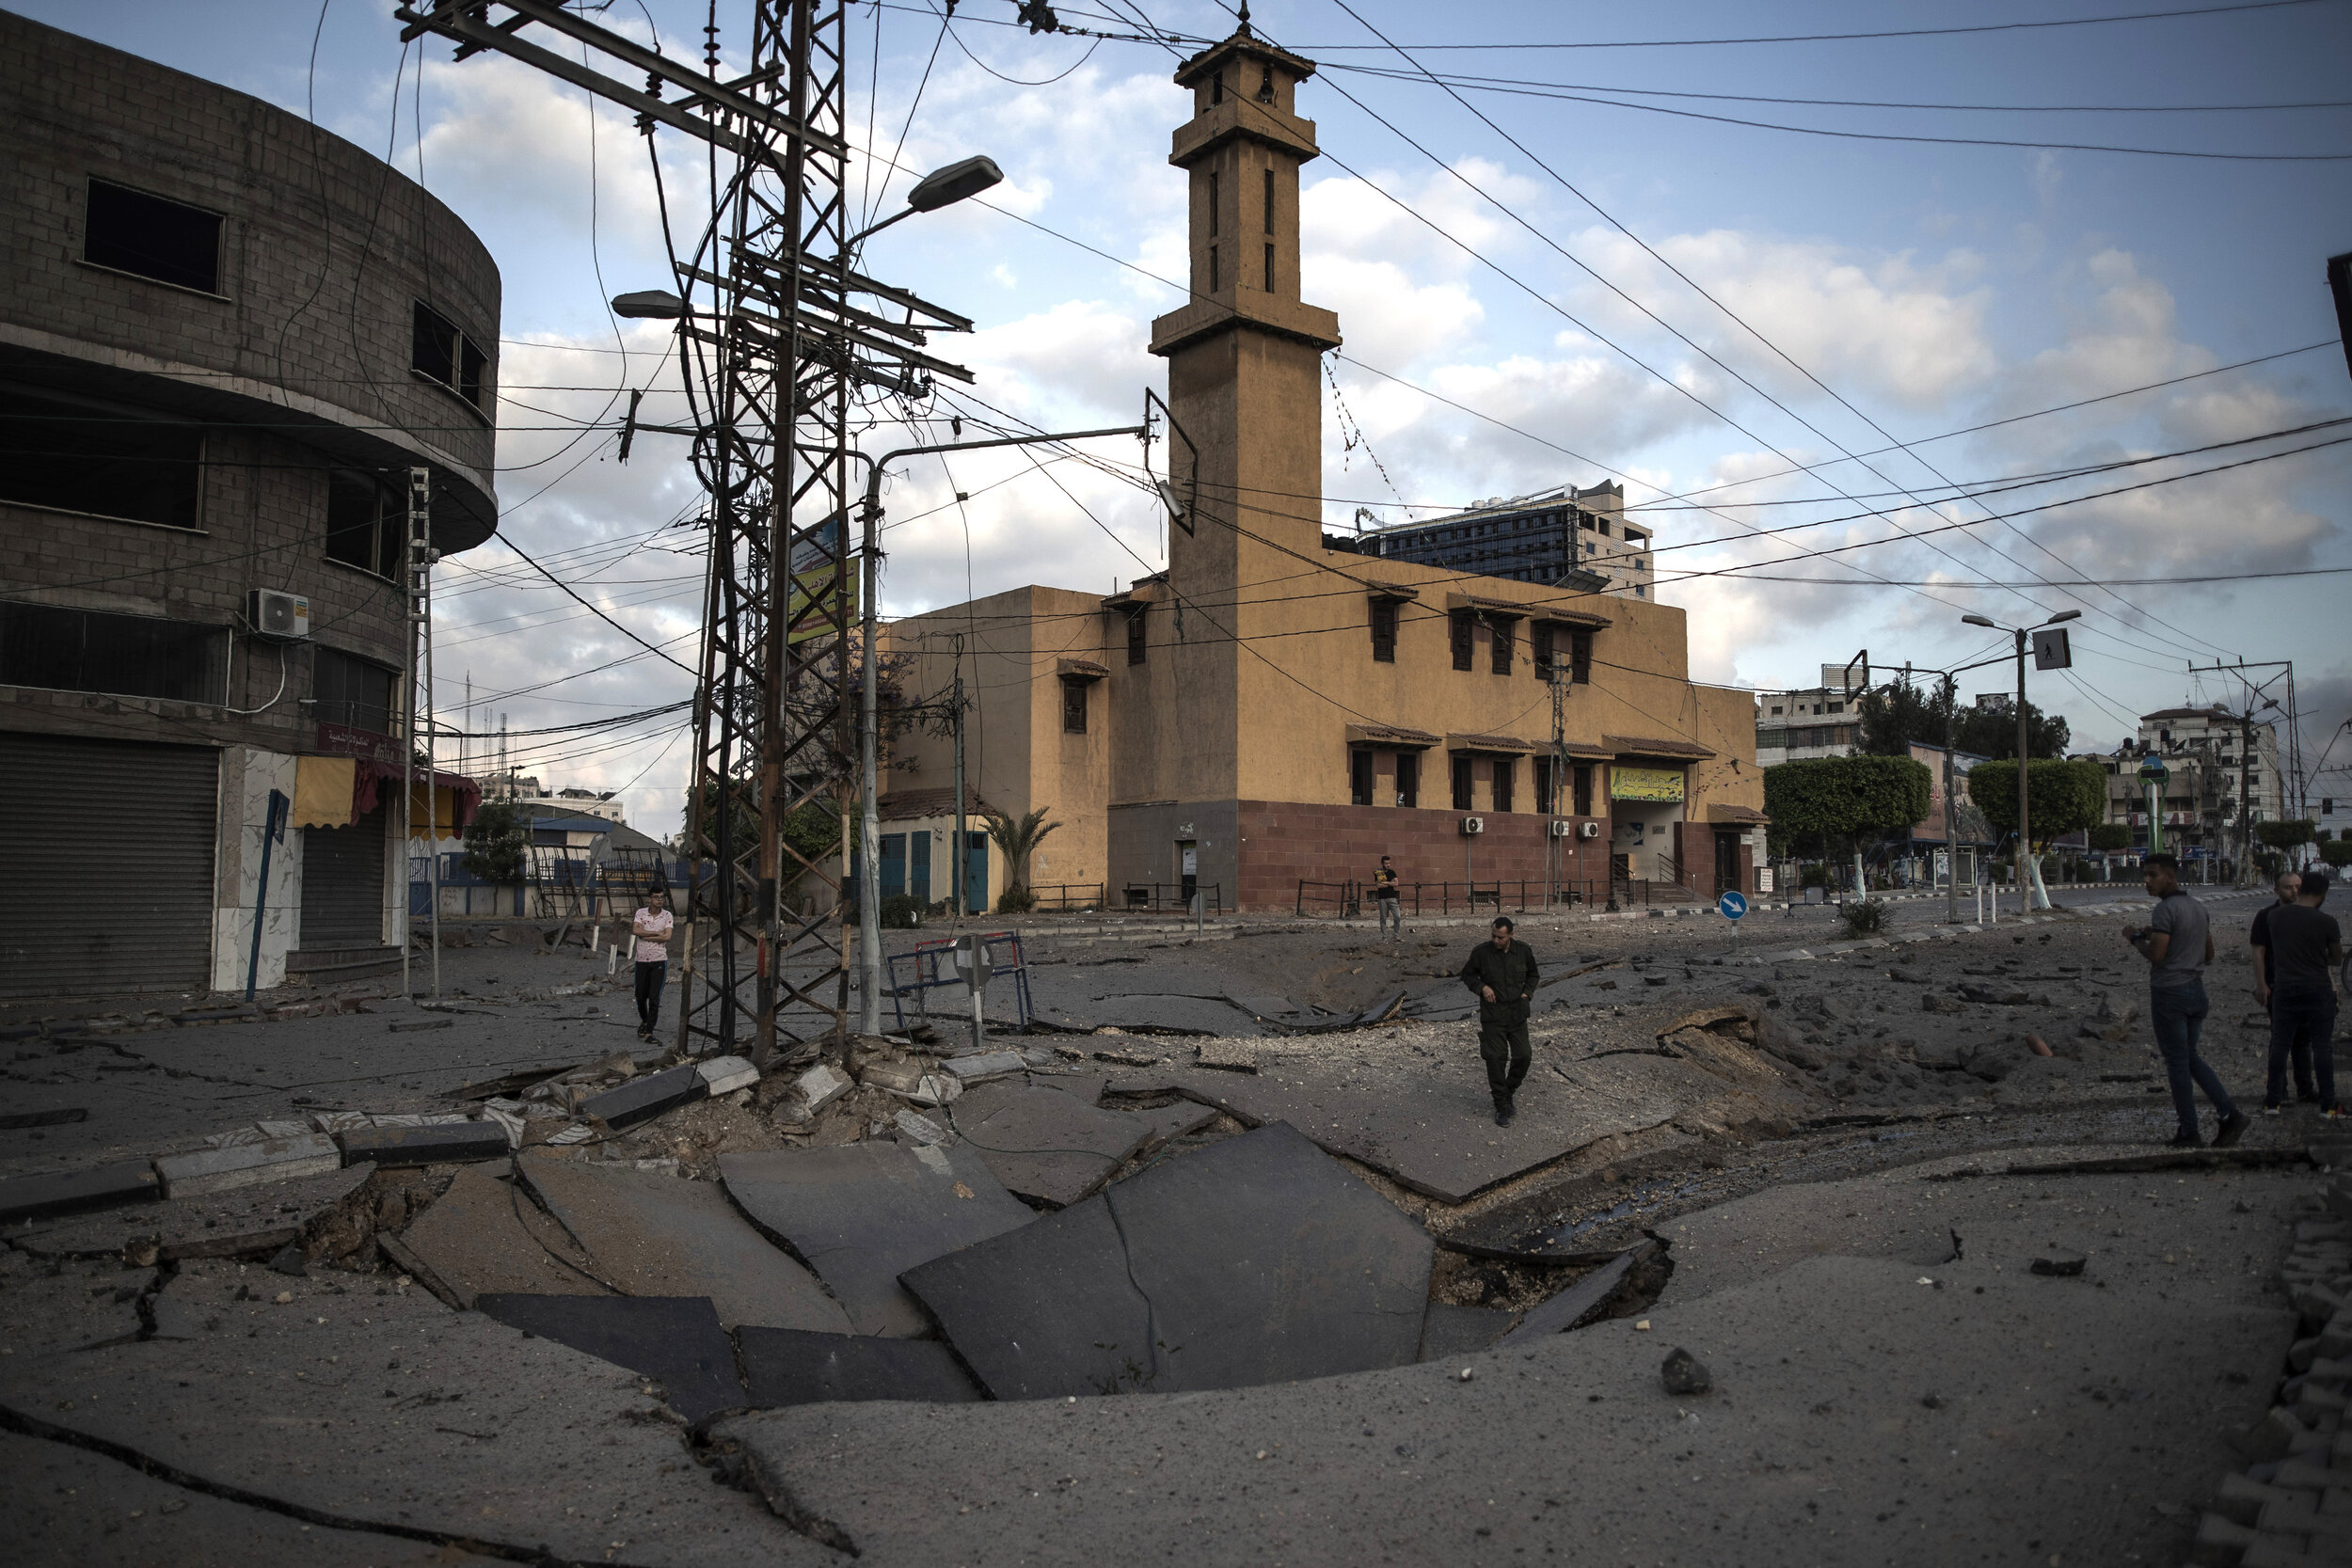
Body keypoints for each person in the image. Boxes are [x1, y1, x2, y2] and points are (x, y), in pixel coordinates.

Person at [2124, 854, 2248, 1148]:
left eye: (2153, 875)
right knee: (2190, 1057)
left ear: (2170, 877)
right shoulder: (2197, 907)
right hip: (2196, 991)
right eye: (2145, 875)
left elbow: (2157, 956)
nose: (2147, 881)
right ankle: (2228, 1113)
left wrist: (2134, 938)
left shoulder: (2165, 910)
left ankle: (2189, 1130)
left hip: (2170, 993)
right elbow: (2208, 954)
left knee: (2177, 1063)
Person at [2264, 868, 2345, 1118]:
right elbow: (2336, 958)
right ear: (2322, 894)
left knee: (2279, 1043)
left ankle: (2272, 1102)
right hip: (2317, 988)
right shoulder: (2327, 922)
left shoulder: (2275, 917)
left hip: (2285, 987)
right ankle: (2328, 1105)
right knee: (2321, 1047)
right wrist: (2318, 957)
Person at [1459, 916, 1539, 1127]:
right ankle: (1501, 1106)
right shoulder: (1481, 953)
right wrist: (1482, 988)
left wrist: (1526, 994)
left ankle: (1508, 1091)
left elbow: (1533, 975)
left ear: (1511, 935)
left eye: (1501, 938)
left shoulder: (1523, 951)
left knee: (1523, 1056)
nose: (1496, 941)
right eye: (1494, 936)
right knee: (1496, 1058)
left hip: (1517, 1013)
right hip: (1493, 1014)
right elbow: (1467, 975)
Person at [2252, 869, 2315, 1108]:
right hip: (2278, 985)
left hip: (2306, 985)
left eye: (2298, 886)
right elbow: (2258, 951)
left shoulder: (2309, 914)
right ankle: (2278, 1091)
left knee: (2302, 1041)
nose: (2295, 891)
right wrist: (2261, 984)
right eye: (2289, 887)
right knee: (2280, 1040)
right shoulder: (2266, 916)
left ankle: (2305, 1089)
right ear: (2277, 890)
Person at [630, 886, 675, 1043]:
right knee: (640, 996)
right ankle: (645, 1021)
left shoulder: (667, 916)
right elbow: (636, 931)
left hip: (659, 960)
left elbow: (668, 937)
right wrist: (657, 934)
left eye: (662, 897)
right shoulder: (640, 913)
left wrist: (646, 935)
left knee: (654, 998)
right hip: (642, 960)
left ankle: (649, 1031)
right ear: (650, 899)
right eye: (656, 897)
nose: (660, 900)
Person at [1373, 855, 1403, 940]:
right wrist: (1390, 883)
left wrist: (1385, 883)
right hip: (1382, 898)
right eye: (1386, 863)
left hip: (1392, 898)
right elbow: (1378, 885)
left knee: (1397, 916)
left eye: (1389, 863)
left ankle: (1396, 935)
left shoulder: (1392, 872)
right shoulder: (1378, 873)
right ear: (1382, 863)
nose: (1388, 865)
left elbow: (1396, 884)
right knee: (1383, 918)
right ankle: (1384, 936)